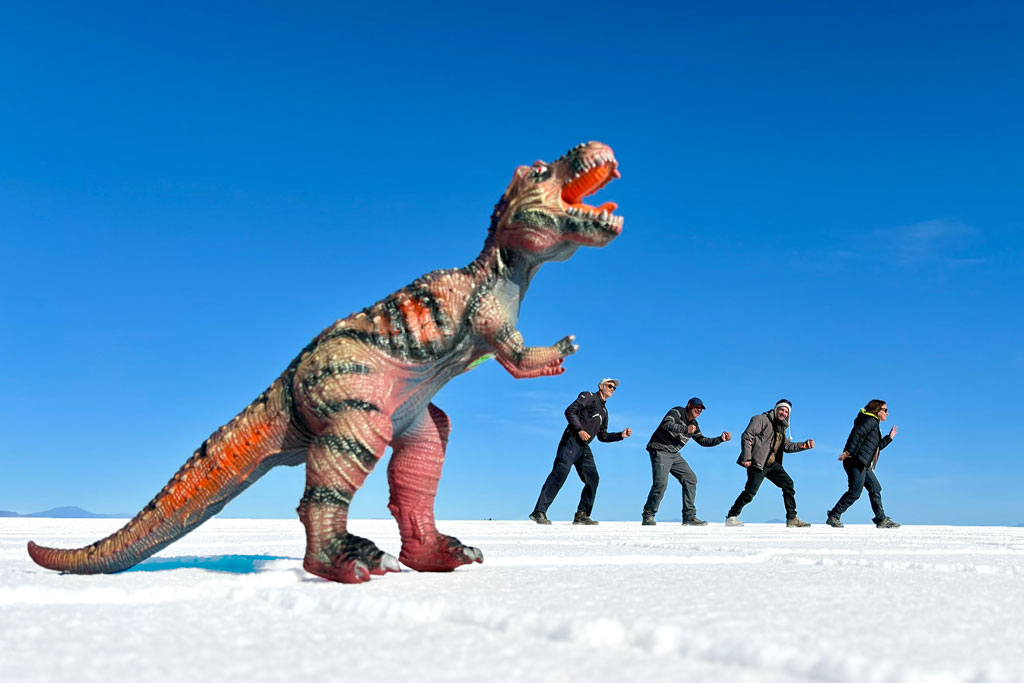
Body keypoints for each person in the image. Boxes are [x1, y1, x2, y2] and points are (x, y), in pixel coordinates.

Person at [530, 378, 632, 525]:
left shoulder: (604, 411)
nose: (612, 389)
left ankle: (582, 515)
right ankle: (539, 511)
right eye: (610, 386)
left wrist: (620, 435)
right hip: (571, 440)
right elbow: (570, 411)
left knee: (593, 478)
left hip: (584, 447)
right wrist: (579, 430)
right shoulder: (588, 396)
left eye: (614, 388)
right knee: (560, 474)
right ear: (601, 386)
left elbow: (602, 436)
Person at [641, 397, 731, 526]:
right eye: (696, 407)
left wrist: (720, 439)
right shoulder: (677, 411)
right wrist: (685, 429)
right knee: (660, 484)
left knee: (690, 478)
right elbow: (666, 424)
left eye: (701, 409)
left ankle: (689, 516)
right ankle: (648, 515)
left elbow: (703, 441)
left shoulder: (695, 425)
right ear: (689, 405)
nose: (698, 410)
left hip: (674, 454)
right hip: (659, 449)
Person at [724, 399, 814, 527]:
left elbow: (786, 447)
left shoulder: (781, 427)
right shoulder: (761, 419)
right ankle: (732, 516)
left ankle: (792, 518)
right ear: (776, 409)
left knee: (788, 484)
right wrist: (747, 458)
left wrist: (804, 446)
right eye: (782, 409)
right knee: (750, 492)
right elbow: (747, 436)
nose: (783, 413)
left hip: (772, 464)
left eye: (786, 411)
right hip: (757, 462)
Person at [826, 400, 901, 528]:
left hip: (863, 464)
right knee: (855, 492)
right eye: (885, 410)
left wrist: (889, 438)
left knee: (875, 488)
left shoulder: (874, 423)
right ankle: (834, 515)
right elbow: (856, 434)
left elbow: (875, 448)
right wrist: (847, 452)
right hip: (855, 461)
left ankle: (881, 519)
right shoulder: (869, 421)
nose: (888, 413)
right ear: (878, 410)